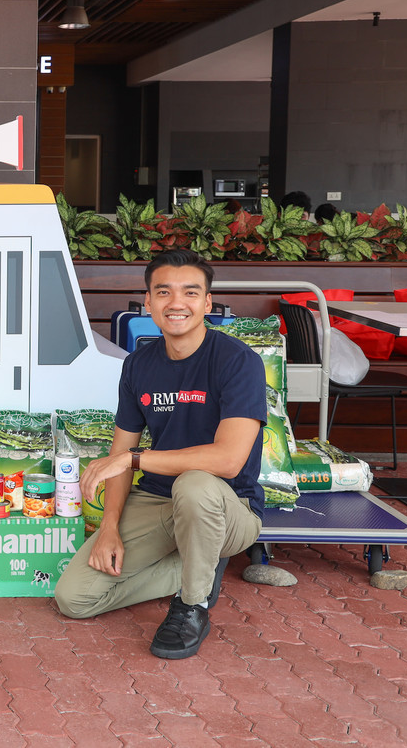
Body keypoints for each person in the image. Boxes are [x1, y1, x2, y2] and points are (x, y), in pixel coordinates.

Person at [54, 249, 266, 660]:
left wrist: (135, 460)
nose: (176, 303)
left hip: (229, 507)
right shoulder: (139, 365)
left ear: (207, 303)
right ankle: (196, 570)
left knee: (197, 483)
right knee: (74, 598)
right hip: (158, 501)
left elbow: (227, 461)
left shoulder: (239, 362)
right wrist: (110, 527)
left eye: (190, 292)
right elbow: (121, 447)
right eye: (163, 292)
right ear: (148, 302)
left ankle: (193, 604)